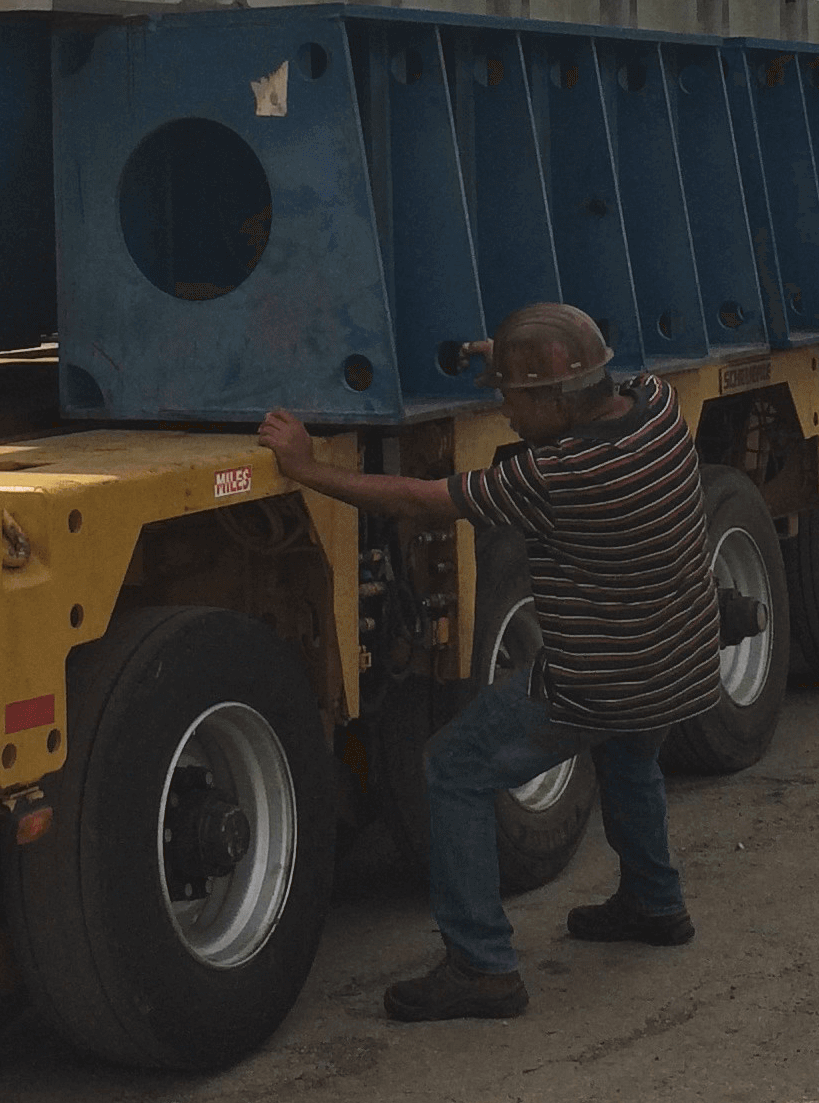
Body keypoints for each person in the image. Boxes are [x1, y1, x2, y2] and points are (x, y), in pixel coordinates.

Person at [260, 303, 721, 1022]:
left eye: (513, 398)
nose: (503, 414)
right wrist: (515, 354)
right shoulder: (657, 406)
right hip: (679, 652)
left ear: (553, 399)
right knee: (631, 757)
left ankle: (481, 967)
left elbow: (418, 499)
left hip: (603, 675)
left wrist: (305, 466)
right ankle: (655, 903)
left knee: (455, 767)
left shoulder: (563, 474)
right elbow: (590, 363)